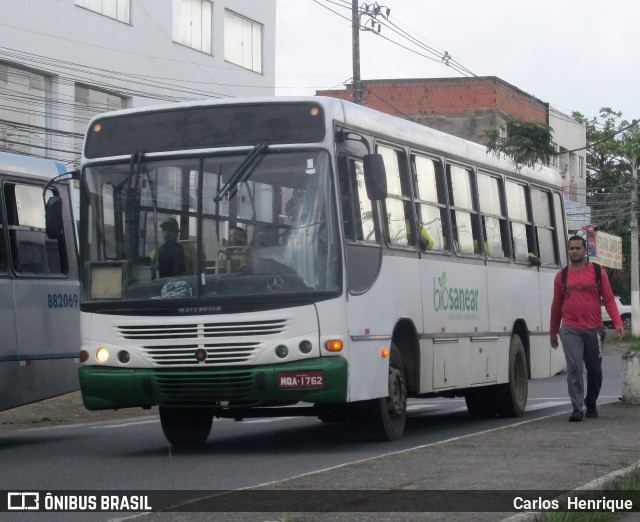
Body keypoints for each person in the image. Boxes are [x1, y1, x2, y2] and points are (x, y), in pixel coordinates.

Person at [550, 235, 624, 422]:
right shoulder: (562, 276)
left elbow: (608, 299)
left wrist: (618, 323)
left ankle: (591, 401)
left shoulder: (598, 272)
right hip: (570, 329)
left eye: (577, 248)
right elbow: (556, 305)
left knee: (595, 370)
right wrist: (553, 332)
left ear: (585, 250)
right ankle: (577, 408)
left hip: (594, 330)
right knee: (574, 368)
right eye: (571, 248)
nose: (574, 251)